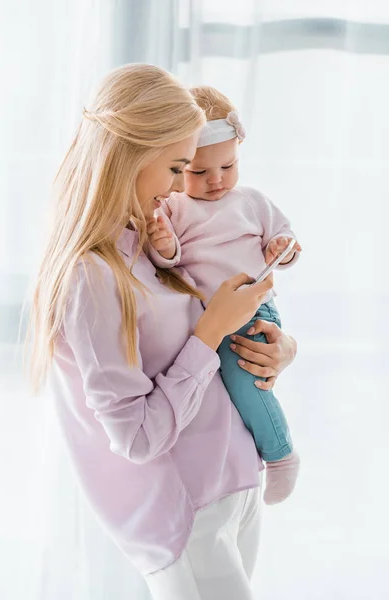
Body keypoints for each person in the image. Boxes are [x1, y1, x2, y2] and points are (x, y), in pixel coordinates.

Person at [28, 64, 297, 600]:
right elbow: (136, 437)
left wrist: (279, 348)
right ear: (133, 157)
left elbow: (202, 339)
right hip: (190, 513)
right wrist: (210, 332)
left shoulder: (145, 240)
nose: (183, 186)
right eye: (177, 167)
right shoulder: (92, 275)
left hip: (234, 484)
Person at [147, 85, 302, 506]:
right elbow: (168, 261)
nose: (216, 181)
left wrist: (280, 250)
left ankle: (281, 454)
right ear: (178, 168)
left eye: (228, 166)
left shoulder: (251, 201)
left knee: (243, 380)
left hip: (252, 308)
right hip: (211, 317)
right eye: (199, 172)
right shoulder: (175, 208)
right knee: (219, 389)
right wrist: (163, 244)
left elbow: (285, 241)